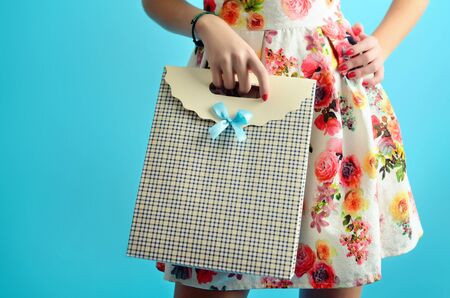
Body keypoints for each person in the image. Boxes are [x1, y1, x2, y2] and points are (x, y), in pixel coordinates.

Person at [142, 0, 428, 297]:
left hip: (328, 91)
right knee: (212, 265)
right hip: (231, 86)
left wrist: (381, 45)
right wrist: (206, 23)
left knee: (332, 272)